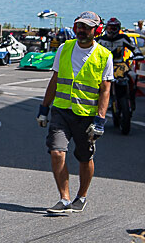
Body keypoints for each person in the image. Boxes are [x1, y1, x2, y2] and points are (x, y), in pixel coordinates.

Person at [36, 11, 113, 214]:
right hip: (61, 111)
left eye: (87, 27)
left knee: (84, 157)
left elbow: (105, 90)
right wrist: (44, 108)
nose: (81, 30)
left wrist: (100, 120)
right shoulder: (64, 48)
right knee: (56, 151)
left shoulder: (104, 56)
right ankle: (64, 199)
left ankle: (82, 196)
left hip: (86, 115)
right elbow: (54, 80)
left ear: (97, 30)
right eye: (79, 26)